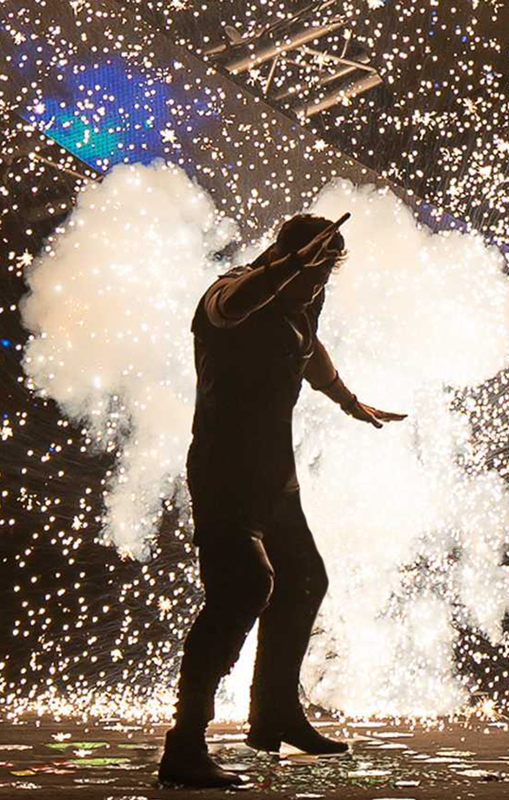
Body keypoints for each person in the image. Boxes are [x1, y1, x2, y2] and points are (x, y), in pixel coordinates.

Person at [158, 213, 408, 788]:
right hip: (224, 471)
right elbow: (231, 308)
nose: (315, 288)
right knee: (243, 589)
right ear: (280, 259)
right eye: (309, 273)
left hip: (274, 473)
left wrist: (347, 399)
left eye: (324, 277)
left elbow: (308, 348)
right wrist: (293, 264)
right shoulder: (229, 291)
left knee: (304, 580)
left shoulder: (304, 299)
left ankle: (273, 713)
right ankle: (184, 745)